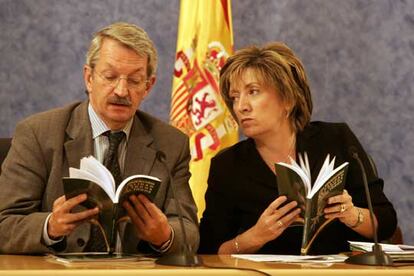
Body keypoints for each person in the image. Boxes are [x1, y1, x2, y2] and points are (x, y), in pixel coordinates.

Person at [0, 22, 199, 255]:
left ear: (148, 86)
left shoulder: (171, 144)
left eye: (134, 81)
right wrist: (49, 227)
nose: (122, 91)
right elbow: (4, 223)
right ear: (89, 78)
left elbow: (188, 232)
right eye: (110, 76)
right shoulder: (38, 134)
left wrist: (165, 236)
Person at [198, 42, 397, 255]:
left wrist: (352, 215)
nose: (241, 106)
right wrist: (255, 236)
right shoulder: (228, 165)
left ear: (288, 99)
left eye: (253, 92)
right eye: (235, 97)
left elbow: (385, 222)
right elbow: (208, 250)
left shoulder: (335, 140)